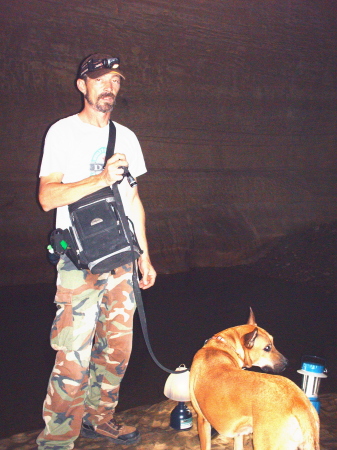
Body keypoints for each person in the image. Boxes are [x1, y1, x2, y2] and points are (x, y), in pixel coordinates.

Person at [37, 53, 156, 450]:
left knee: (117, 350)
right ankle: (57, 440)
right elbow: (47, 197)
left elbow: (134, 200)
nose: (109, 86)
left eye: (116, 80)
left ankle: (98, 418)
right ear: (82, 85)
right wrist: (100, 177)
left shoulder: (128, 137)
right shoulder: (61, 133)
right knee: (73, 353)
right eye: (101, 79)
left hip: (122, 257)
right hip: (78, 262)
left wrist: (145, 256)